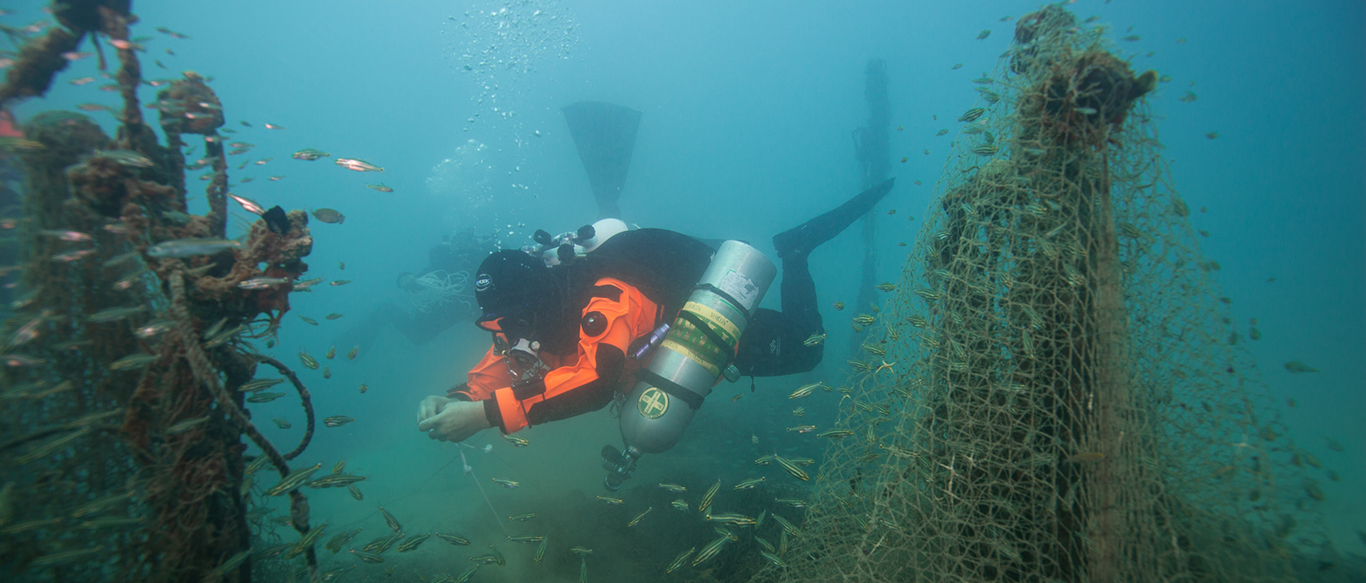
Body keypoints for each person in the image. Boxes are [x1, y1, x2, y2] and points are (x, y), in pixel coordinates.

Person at [415, 178, 895, 442]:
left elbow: (597, 381)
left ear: (536, 297)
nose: (510, 334)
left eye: (513, 319)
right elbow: (504, 358)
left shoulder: (606, 296)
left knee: (805, 350)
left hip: (693, 324)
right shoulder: (532, 316)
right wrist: (459, 395)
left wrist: (485, 415)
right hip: (652, 347)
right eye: (499, 325)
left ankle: (795, 251)